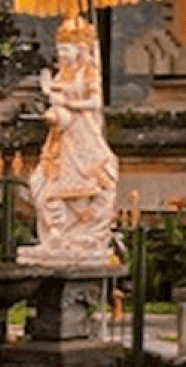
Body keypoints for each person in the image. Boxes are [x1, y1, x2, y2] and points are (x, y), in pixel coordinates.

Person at [26, 14, 119, 267]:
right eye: (60, 49)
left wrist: (69, 103)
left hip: (82, 131)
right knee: (40, 181)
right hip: (60, 134)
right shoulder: (61, 74)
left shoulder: (88, 73)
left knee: (86, 182)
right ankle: (56, 232)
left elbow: (95, 102)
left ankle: (77, 232)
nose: (62, 54)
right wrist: (50, 94)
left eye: (67, 49)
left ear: (80, 49)